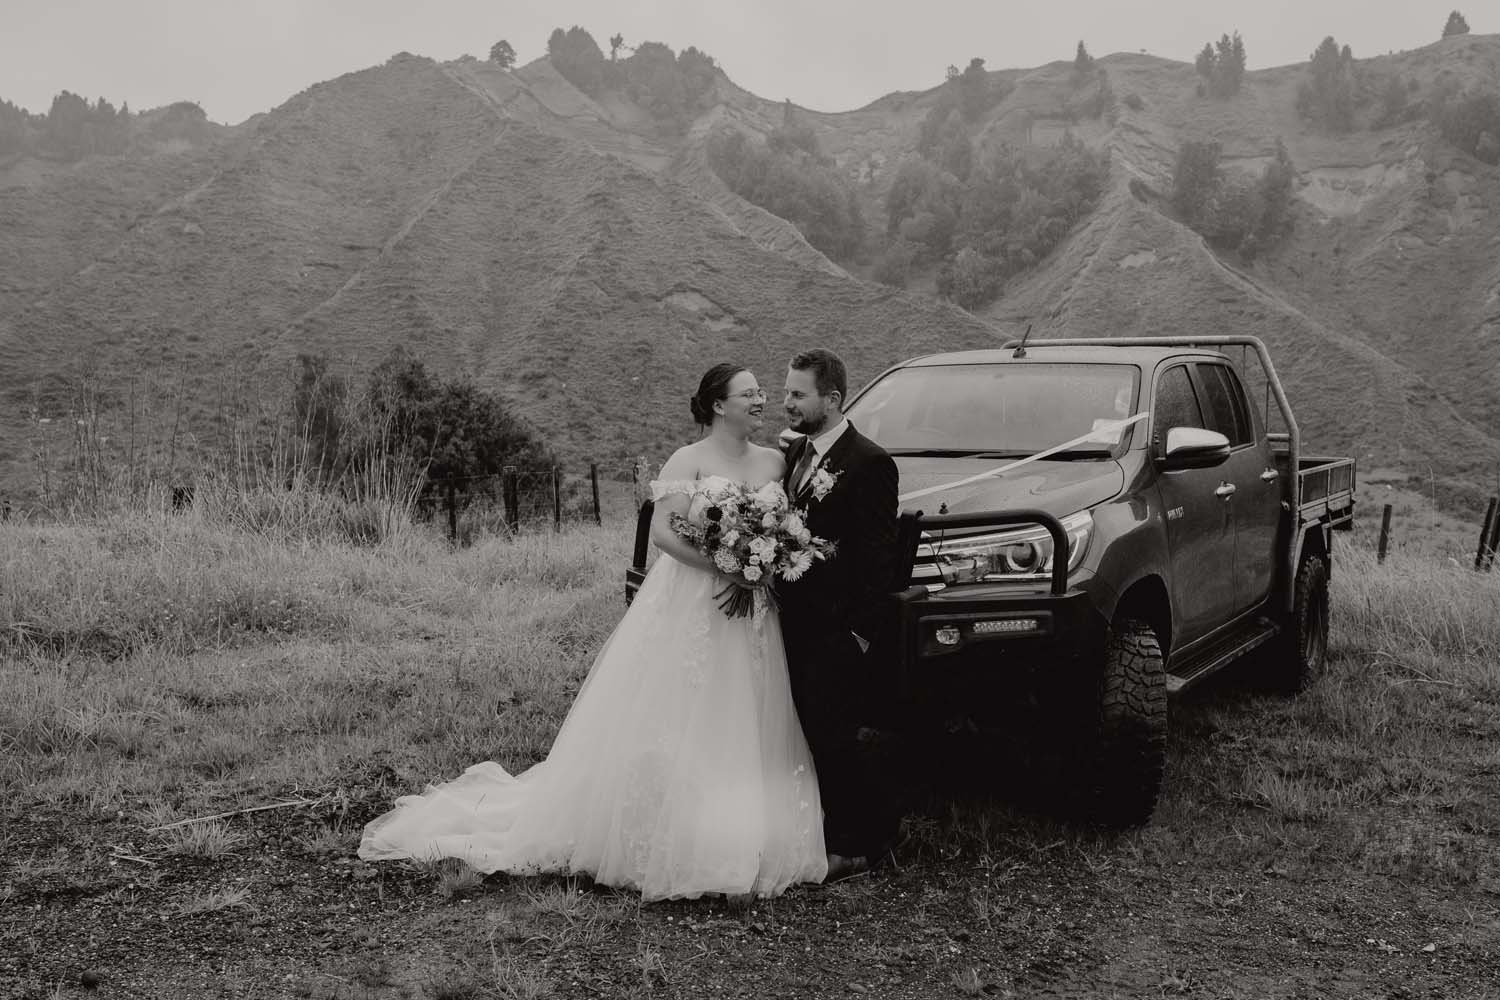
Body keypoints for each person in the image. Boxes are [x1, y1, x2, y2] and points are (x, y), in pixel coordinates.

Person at [359, 363, 827, 900]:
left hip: (754, 610)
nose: (761, 400)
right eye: (750, 394)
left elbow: (789, 528)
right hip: (696, 602)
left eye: (763, 392)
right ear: (720, 405)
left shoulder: (776, 460)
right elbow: (666, 535)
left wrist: (762, 562)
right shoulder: (688, 460)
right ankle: (666, 831)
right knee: (681, 711)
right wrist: (724, 566)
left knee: (747, 708)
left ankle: (743, 831)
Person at [778, 348, 902, 880]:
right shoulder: (795, 456)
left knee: (834, 732)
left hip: (836, 628)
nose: (787, 403)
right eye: (785, 392)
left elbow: (879, 560)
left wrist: (858, 634)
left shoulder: (870, 462)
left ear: (832, 399)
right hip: (792, 622)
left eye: (798, 394)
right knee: (806, 728)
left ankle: (862, 845)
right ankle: (823, 827)